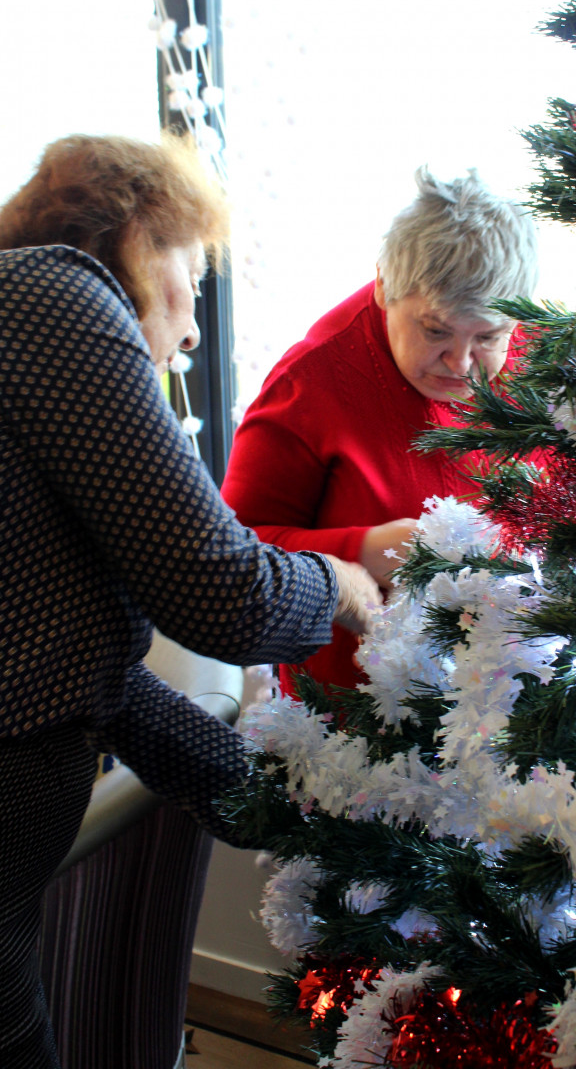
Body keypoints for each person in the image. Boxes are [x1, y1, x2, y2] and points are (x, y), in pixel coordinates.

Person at [0, 131, 380, 1069]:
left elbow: (96, 683)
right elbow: (220, 593)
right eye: (196, 280)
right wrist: (341, 581)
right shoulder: (52, 293)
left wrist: (278, 812)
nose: (197, 330)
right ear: (137, 235)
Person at [221, 166, 538, 696]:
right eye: (435, 331)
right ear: (385, 288)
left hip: (519, 696)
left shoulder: (545, 356)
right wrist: (364, 549)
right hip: (354, 720)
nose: (461, 362)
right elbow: (230, 559)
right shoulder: (311, 384)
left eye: (489, 336)